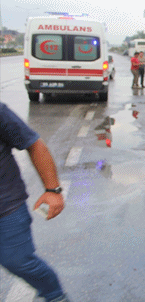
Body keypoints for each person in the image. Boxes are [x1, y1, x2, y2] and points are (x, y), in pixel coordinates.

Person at [0, 102, 70, 302]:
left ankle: (55, 296)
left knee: (18, 260)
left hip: (6, 207)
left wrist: (53, 190)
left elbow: (33, 143)